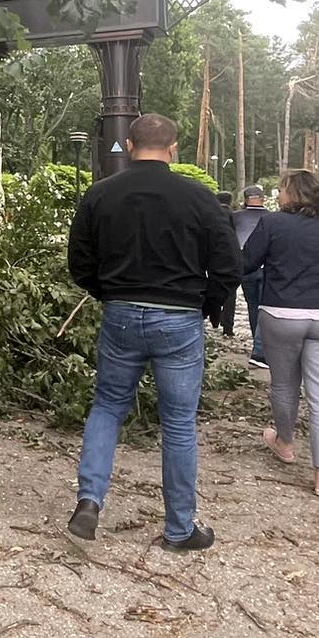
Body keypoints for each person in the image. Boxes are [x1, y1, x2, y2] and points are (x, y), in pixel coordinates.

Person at [66, 112, 240, 552]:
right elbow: (228, 264)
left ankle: (89, 500)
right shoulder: (200, 198)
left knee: (107, 406)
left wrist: (108, 292)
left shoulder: (101, 194)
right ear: (173, 147)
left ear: (128, 144)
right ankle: (180, 527)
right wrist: (207, 302)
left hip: (121, 313)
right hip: (179, 318)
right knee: (179, 423)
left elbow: (79, 262)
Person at [241, 169, 319, 498]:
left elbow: (246, 262)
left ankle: (284, 443)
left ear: (293, 194)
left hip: (282, 313)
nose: (278, 194)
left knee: (284, 384)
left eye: (282, 189)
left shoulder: (272, 224)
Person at [232, 184, 269, 364]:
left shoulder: (235, 217)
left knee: (253, 307)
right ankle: (260, 349)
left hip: (245, 267)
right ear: (263, 198)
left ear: (245, 200)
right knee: (264, 307)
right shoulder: (273, 218)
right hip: (267, 268)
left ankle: (258, 343)